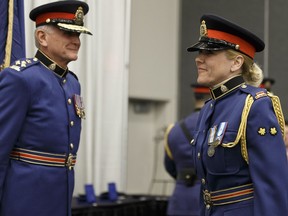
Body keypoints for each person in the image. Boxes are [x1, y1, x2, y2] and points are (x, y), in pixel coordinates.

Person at [187, 14, 288, 216]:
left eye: (209, 52)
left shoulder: (255, 105)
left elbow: (272, 186)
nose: (199, 58)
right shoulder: (209, 108)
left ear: (236, 63)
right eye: (200, 51)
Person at [0, 1, 92, 215]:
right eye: (68, 34)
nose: (76, 41)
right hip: (24, 198)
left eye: (78, 35)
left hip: (60, 196)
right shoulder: (20, 79)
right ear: (42, 37)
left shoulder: (72, 83)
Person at [164, 84, 210, 216]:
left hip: (181, 199)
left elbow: (169, 166)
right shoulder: (216, 126)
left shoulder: (173, 130)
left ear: (194, 98)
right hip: (207, 198)